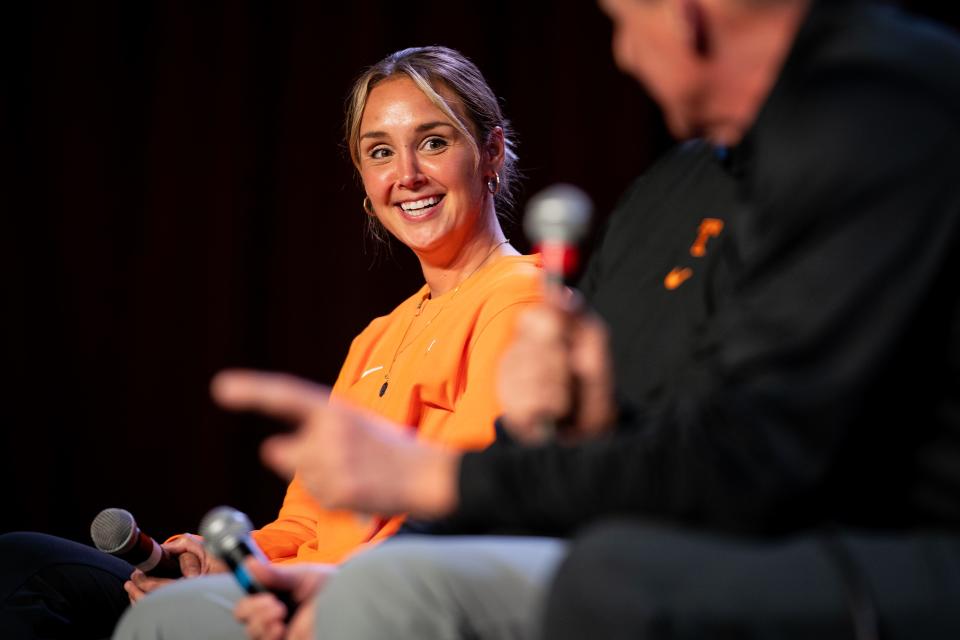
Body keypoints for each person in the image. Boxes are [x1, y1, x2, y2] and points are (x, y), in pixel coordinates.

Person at [164, 0, 960, 638]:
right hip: (705, 516)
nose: (621, 54)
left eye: (618, 21)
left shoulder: (877, 108)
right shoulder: (672, 192)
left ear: (682, 15)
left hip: (872, 546)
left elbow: (763, 449)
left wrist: (421, 492)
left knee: (594, 578)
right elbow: (678, 427)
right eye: (378, 152)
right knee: (164, 610)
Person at [0, 45, 543, 640]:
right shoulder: (378, 337)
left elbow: (457, 513)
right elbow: (307, 523)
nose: (407, 174)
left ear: (489, 152)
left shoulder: (524, 300)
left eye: (434, 142)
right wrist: (223, 559)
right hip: (290, 584)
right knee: (26, 567)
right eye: (380, 152)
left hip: (370, 600)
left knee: (164, 618)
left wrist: (266, 584)